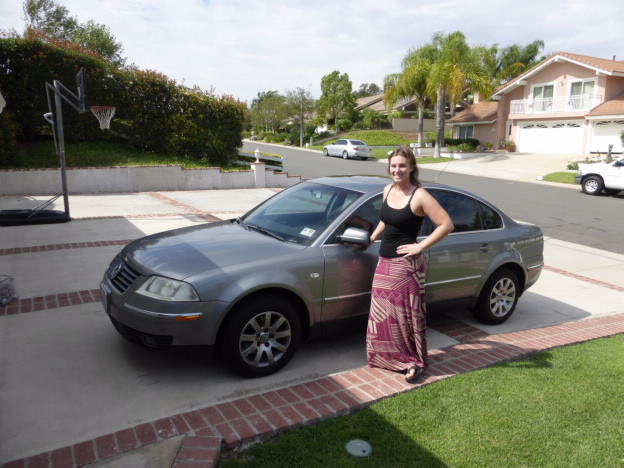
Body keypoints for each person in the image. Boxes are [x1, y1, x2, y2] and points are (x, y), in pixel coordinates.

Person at [366, 145, 454, 383]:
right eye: (394, 165)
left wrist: (419, 246)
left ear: (412, 167)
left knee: (406, 317)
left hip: (406, 267)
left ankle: (413, 362)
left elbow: (446, 224)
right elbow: (387, 221)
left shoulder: (420, 195)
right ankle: (387, 356)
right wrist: (372, 237)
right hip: (384, 263)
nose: (397, 170)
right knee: (383, 316)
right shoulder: (387, 190)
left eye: (402, 165)